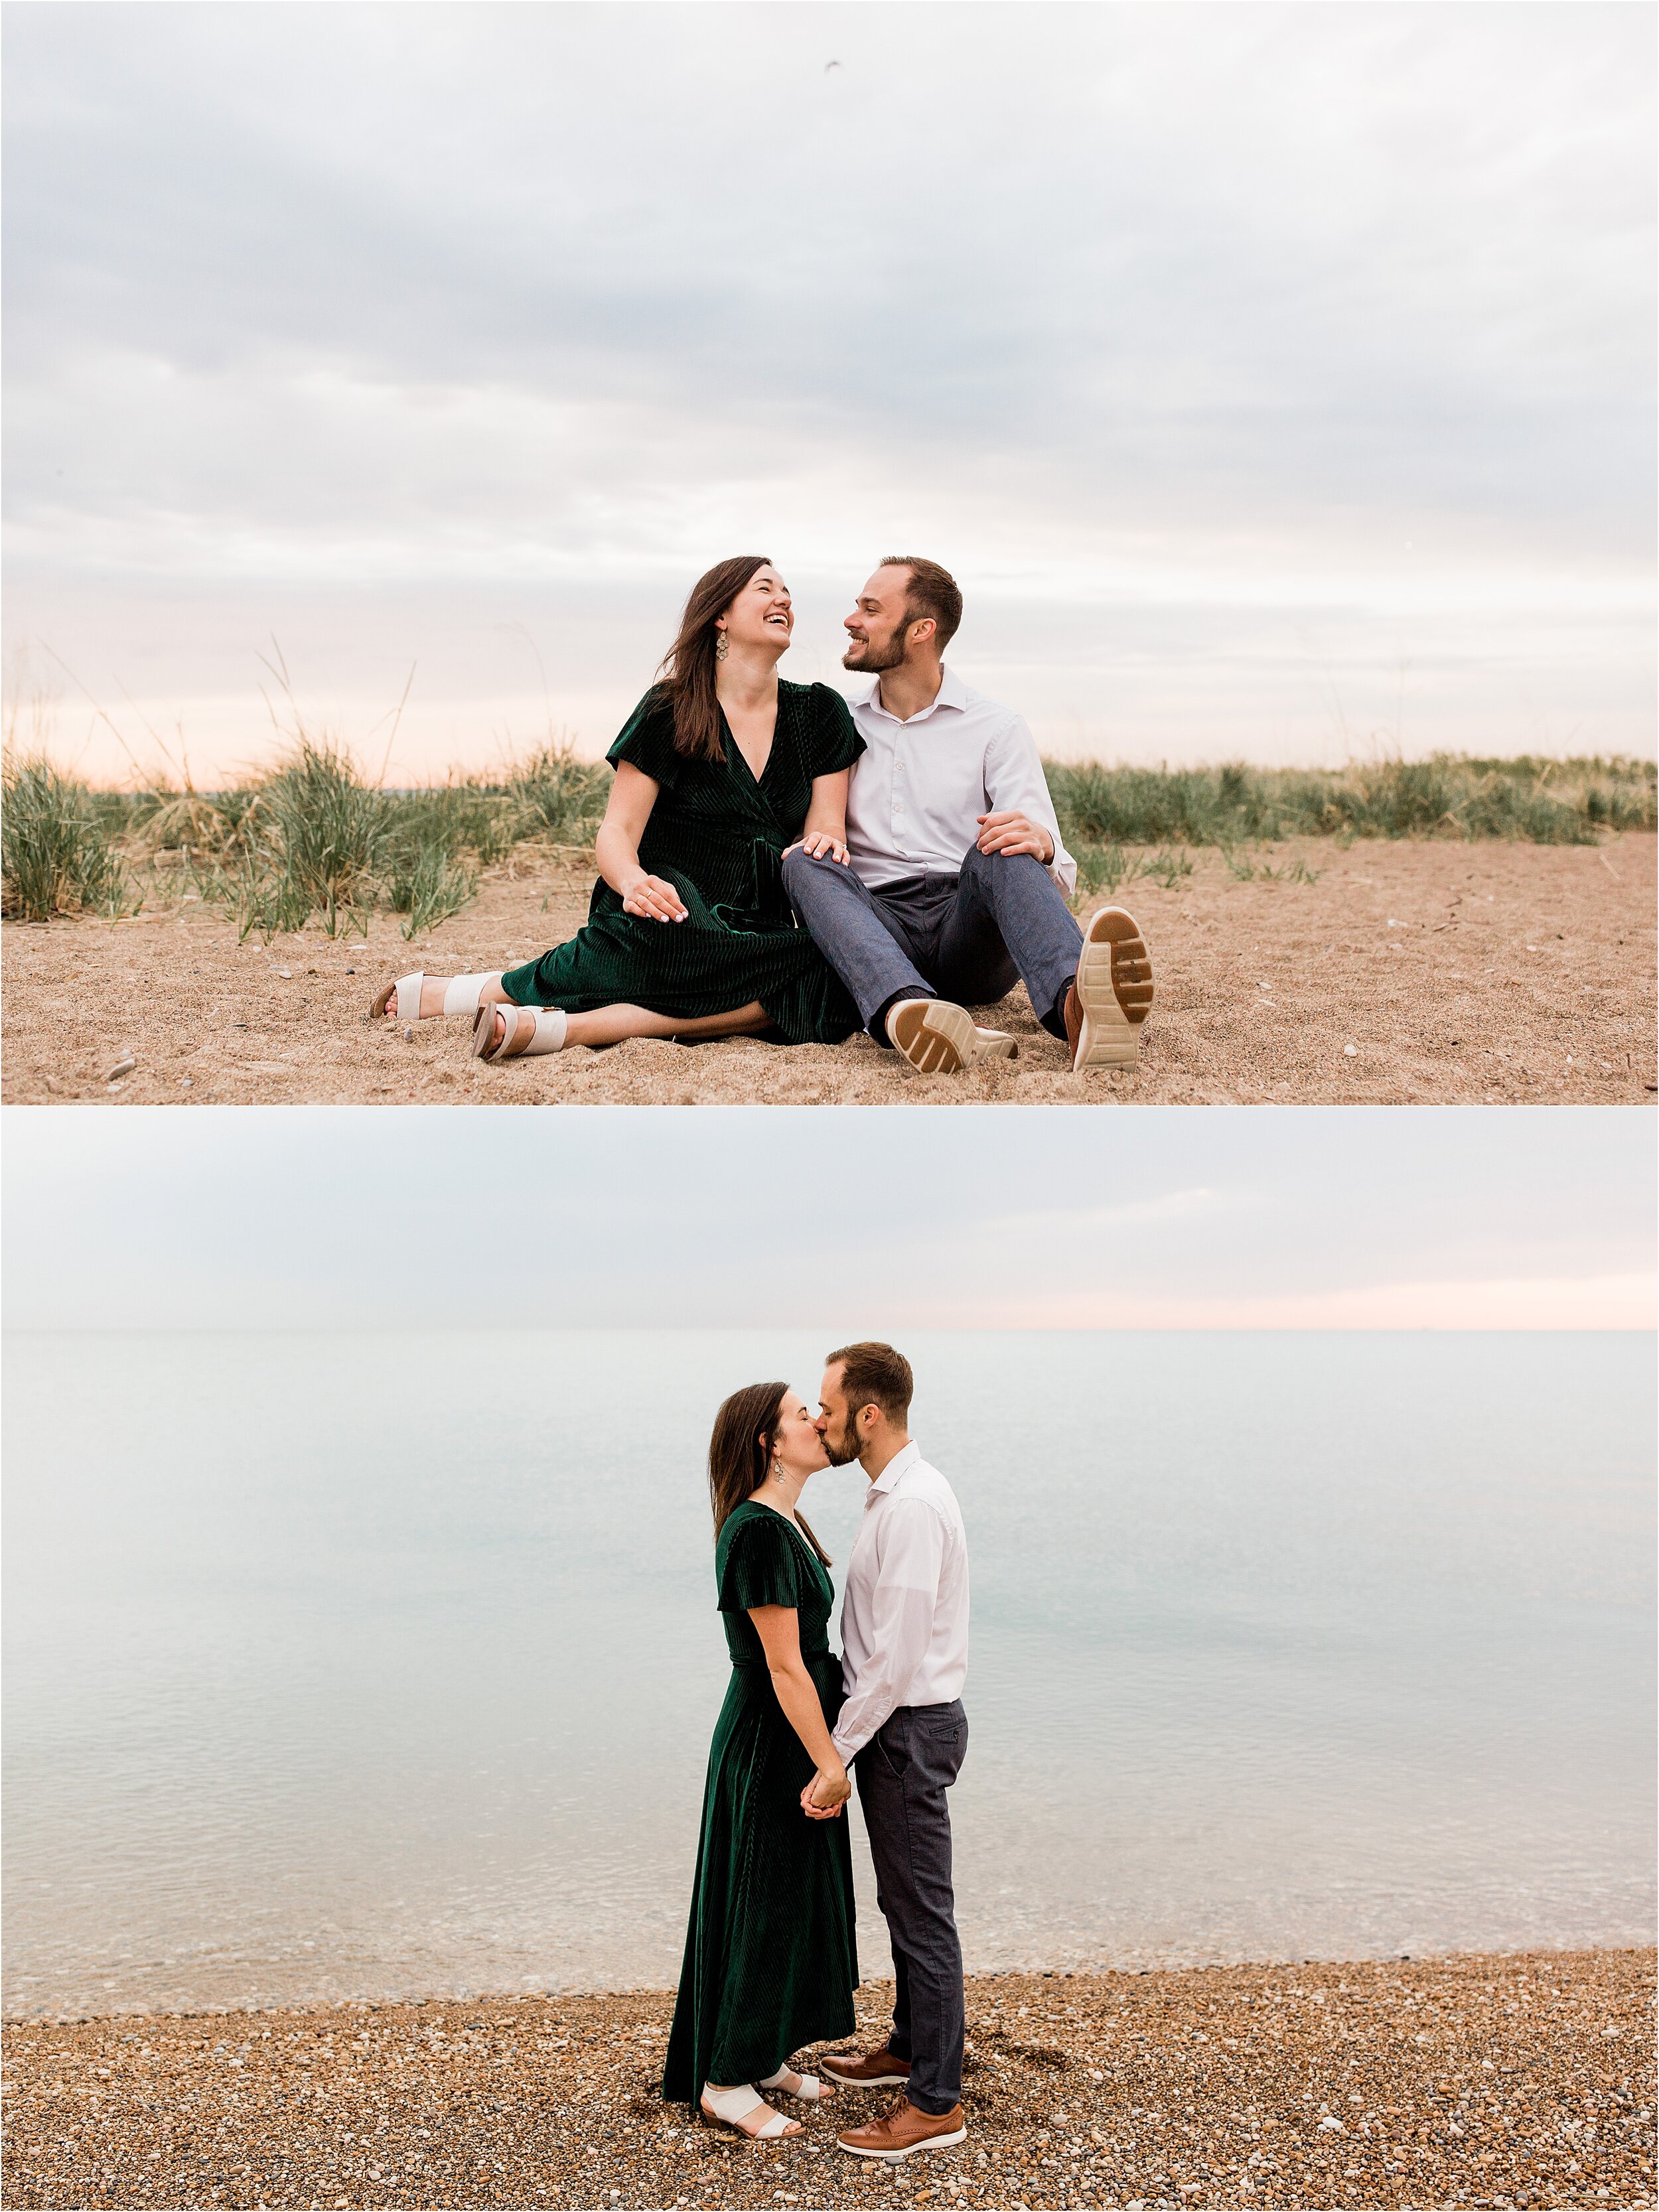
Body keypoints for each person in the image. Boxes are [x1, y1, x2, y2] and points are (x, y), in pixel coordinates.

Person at [369, 557, 865, 1061]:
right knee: (673, 942)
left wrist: (830, 845)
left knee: (832, 969)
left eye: (787, 592)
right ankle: (489, 991)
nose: (784, 599)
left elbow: (824, 831)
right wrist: (632, 882)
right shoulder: (669, 709)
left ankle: (572, 1029)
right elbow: (616, 831)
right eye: (766, 589)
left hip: (759, 926)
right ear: (720, 615)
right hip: (668, 905)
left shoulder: (821, 712)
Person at [780, 557, 1155, 1074]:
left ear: (920, 631)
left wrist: (1042, 841)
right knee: (803, 861)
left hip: (968, 930)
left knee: (1005, 843)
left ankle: (1081, 1008)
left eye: (870, 609)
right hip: (875, 926)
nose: (852, 620)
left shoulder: (995, 727)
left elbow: (1058, 869)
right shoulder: (837, 719)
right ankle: (908, 1011)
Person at [661, 1383, 859, 2140]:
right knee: (764, 1900)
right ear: (769, 1442)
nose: (817, 1419)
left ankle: (759, 2052)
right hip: (774, 1737)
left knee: (790, 1899)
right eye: (801, 1413)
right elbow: (784, 1668)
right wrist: (830, 1762)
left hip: (787, 1732)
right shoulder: (758, 1532)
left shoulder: (784, 1520)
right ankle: (722, 2082)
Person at [804, 1342, 973, 2166]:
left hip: (906, 1730)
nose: (819, 1420)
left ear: (869, 1414)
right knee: (902, 1902)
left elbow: (895, 1660)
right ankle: (910, 2047)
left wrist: (835, 1756)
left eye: (828, 1407)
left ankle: (935, 2101)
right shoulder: (893, 1494)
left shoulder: (908, 1507)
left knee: (920, 1914)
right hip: (902, 1728)